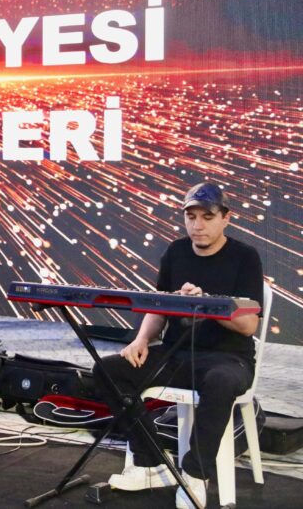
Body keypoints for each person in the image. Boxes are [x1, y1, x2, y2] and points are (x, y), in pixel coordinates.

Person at [95, 182, 264, 509]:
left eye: (207, 217)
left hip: (229, 358)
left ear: (226, 218)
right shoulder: (176, 252)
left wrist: (206, 305)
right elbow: (159, 308)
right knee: (109, 369)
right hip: (177, 353)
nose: (197, 225)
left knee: (221, 381)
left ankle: (194, 475)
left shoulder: (245, 257)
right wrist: (141, 340)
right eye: (191, 217)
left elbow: (248, 326)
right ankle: (151, 463)